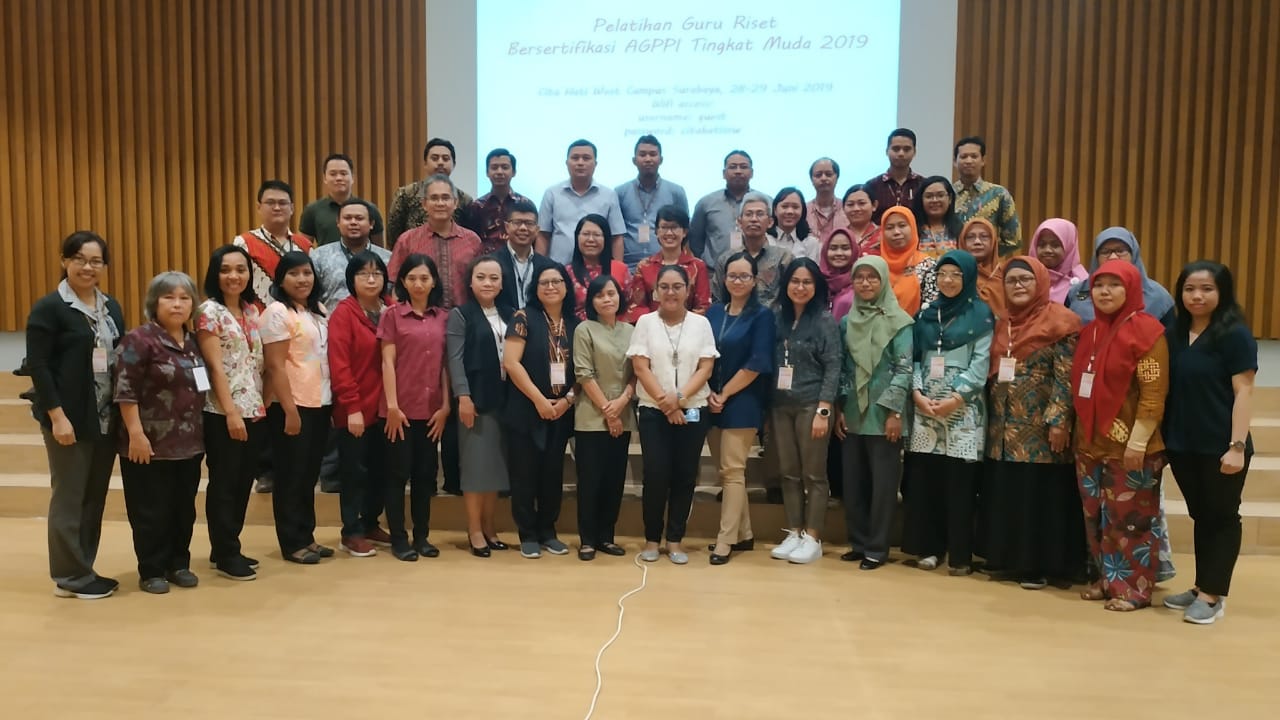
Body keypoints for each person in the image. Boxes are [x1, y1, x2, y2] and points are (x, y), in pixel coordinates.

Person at [1068, 227, 1178, 583]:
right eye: (1099, 284)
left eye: (1115, 285)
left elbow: (1153, 394)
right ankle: (1106, 582)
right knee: (1096, 518)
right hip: (1089, 444)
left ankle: (1133, 589)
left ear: (1131, 288)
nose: (1105, 291)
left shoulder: (1148, 333)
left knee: (1130, 521)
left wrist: (1138, 442)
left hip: (1131, 446)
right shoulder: (1090, 332)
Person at [26, 232, 125, 599]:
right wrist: (57, 416)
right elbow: (38, 366)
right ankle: (69, 575)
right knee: (69, 496)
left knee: (93, 498)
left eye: (96, 261)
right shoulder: (50, 307)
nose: (88, 267)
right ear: (65, 261)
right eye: (79, 259)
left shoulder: (110, 307)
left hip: (105, 416)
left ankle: (83, 569)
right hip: (69, 417)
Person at [1161, 261, 1257, 624]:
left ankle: (1213, 596)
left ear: (1222, 292)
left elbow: (1244, 391)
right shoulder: (1174, 332)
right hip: (1183, 443)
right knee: (1202, 515)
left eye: (1206, 289)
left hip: (1222, 444)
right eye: (1189, 289)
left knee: (1222, 517)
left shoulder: (1234, 334)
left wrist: (1237, 446)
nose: (1197, 296)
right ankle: (1202, 585)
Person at [981, 256, 1085, 589]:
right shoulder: (1004, 322)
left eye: (1025, 279)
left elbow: (1066, 378)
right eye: (1011, 280)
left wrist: (1059, 421)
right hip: (1004, 426)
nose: (1018, 286)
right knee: (1010, 494)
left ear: (1040, 282)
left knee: (1039, 497)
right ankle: (1010, 561)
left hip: (1041, 428)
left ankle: (1041, 566)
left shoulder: (1062, 321)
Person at [902, 250, 994, 576]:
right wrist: (917, 394)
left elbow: (980, 364)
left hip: (963, 410)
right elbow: (914, 358)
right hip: (926, 406)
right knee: (927, 481)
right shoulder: (927, 313)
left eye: (956, 274)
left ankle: (960, 554)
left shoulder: (981, 314)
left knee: (960, 485)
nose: (948, 280)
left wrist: (956, 398)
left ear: (968, 278)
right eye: (943, 274)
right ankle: (929, 548)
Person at [114, 272, 206, 594]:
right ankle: (152, 569)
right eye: (169, 297)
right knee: (150, 511)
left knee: (183, 509)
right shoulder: (139, 340)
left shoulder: (193, 342)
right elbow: (125, 391)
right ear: (154, 303)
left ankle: (178, 564)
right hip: (149, 443)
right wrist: (136, 434)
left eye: (184, 298)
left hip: (189, 443)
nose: (177, 304)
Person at [627, 265, 718, 564]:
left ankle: (675, 540)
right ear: (655, 291)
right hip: (654, 411)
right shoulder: (645, 322)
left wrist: (679, 400)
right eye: (664, 286)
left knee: (684, 475)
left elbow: (706, 367)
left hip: (693, 410)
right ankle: (652, 539)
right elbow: (641, 367)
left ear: (687, 290)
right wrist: (667, 404)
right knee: (655, 474)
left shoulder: (701, 324)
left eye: (677, 286)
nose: (670, 292)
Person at [835, 256, 913, 570]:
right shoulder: (847, 322)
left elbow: (904, 370)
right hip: (853, 413)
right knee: (853, 484)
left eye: (872, 277)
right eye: (859, 277)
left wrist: (895, 412)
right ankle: (858, 542)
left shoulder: (901, 322)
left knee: (883, 488)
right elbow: (844, 368)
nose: (865, 283)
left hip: (884, 416)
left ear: (883, 281)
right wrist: (841, 407)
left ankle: (877, 548)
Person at [196, 245, 267, 581]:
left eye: (240, 269)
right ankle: (226, 552)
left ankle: (227, 545)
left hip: (254, 409)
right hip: (222, 411)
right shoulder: (209, 312)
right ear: (215, 274)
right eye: (226, 270)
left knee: (242, 481)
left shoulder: (251, 310)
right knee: (224, 483)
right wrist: (230, 413)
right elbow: (214, 368)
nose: (234, 276)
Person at [260, 252, 332, 565]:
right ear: (280, 279)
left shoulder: (318, 309)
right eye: (294, 273)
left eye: (307, 272)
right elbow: (275, 366)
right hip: (292, 403)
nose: (302, 279)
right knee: (290, 475)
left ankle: (307, 535)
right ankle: (291, 542)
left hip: (320, 400)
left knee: (308, 474)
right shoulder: (276, 312)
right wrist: (289, 410)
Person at [381, 254, 454, 561]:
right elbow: (387, 362)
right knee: (397, 476)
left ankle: (422, 536)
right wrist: (392, 406)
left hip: (432, 410)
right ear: (403, 282)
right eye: (412, 278)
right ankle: (399, 538)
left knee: (425, 476)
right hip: (399, 411)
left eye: (424, 278)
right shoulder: (392, 315)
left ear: (434, 281)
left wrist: (446, 406)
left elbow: (446, 366)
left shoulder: (444, 317)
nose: (418, 284)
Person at [768, 258, 841, 564]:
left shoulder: (824, 320)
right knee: (788, 473)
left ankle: (813, 537)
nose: (800, 287)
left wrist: (824, 409)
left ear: (816, 286)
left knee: (814, 474)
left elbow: (834, 365)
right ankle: (794, 531)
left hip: (812, 404)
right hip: (780, 404)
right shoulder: (777, 317)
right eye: (795, 281)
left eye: (807, 282)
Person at [503, 264, 578, 558]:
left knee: (552, 474)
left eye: (556, 281)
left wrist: (567, 401)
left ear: (566, 287)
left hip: (561, 410)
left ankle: (548, 531)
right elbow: (511, 363)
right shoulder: (523, 317)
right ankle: (528, 534)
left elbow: (584, 370)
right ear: (535, 288)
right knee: (524, 474)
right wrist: (539, 400)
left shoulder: (575, 324)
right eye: (544, 282)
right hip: (526, 407)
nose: (550, 286)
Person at [705, 252, 775, 565]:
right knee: (725, 472)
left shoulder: (762, 316)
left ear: (755, 280)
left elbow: (758, 362)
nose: (737, 281)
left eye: (744, 276)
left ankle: (725, 539)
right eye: (732, 275)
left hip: (744, 400)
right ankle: (744, 533)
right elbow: (702, 354)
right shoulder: (713, 313)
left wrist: (725, 393)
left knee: (733, 470)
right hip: (711, 399)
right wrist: (710, 392)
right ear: (724, 278)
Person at [446, 257, 513, 557]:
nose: (488, 283)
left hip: (506, 401)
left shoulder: (511, 314)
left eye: (494, 278)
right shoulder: (461, 315)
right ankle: (474, 530)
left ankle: (489, 527)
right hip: (475, 401)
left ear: (502, 283)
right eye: (481, 277)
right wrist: (463, 396)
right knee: (475, 469)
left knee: (495, 470)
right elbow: (455, 359)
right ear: (470, 282)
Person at [327, 252, 392, 559]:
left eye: (377, 273)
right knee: (354, 473)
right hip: (355, 409)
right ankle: (351, 531)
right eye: (364, 274)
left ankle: (370, 523)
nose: (371, 279)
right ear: (351, 279)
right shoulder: (344, 313)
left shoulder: (390, 309)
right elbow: (339, 365)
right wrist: (351, 406)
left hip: (386, 409)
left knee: (381, 470)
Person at [573, 275, 637, 560]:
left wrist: (622, 402)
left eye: (611, 293)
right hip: (591, 416)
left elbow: (637, 372)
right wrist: (609, 412)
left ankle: (606, 537)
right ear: (592, 301)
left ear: (619, 297)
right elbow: (583, 373)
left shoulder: (631, 330)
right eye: (600, 295)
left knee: (614, 480)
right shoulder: (584, 329)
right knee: (590, 481)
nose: (607, 299)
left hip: (624, 414)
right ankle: (587, 539)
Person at [388, 174, 484, 310]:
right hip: (420, 317)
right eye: (434, 198)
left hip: (464, 317)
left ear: (455, 203)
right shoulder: (407, 240)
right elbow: (394, 284)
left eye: (445, 198)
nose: (440, 203)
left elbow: (482, 282)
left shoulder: (472, 241)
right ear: (424, 204)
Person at [537, 139, 626, 264]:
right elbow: (543, 235)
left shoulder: (608, 195)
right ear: (567, 163)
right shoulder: (552, 193)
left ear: (595, 163)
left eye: (586, 158)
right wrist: (540, 267)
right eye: (575, 158)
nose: (580, 163)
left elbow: (616, 237)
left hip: (598, 270)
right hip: (559, 268)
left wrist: (617, 269)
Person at [1068, 227, 1176, 327]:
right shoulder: (1076, 292)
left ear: (1133, 255)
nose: (1113, 257)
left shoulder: (1158, 297)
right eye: (1105, 252)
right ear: (1096, 257)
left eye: (1120, 251)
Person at [234, 180, 312, 315]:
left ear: (292, 208)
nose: (277, 208)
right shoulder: (244, 243)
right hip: (256, 319)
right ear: (259, 207)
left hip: (298, 321)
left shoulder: (305, 246)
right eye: (270, 203)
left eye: (282, 203)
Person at [625, 204, 711, 320]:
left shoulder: (697, 266)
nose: (669, 233)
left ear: (685, 232)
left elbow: (702, 306)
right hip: (652, 327)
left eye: (674, 227)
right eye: (664, 227)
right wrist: (656, 324)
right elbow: (637, 306)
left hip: (689, 327)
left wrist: (682, 326)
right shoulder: (644, 266)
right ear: (656, 231)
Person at [616, 135, 690, 268]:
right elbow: (616, 234)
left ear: (661, 160)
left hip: (667, 266)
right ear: (634, 160)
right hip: (629, 266)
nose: (648, 159)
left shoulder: (676, 192)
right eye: (642, 154)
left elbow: (685, 231)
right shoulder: (620, 192)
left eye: (653, 154)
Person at [388, 138, 475, 248]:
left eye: (445, 159)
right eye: (435, 158)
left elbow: (469, 236)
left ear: (454, 164)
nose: (440, 162)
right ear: (425, 163)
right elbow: (393, 235)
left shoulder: (464, 199)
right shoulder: (405, 194)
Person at [712, 191, 794, 307]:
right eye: (749, 214)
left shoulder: (784, 258)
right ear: (739, 222)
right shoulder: (726, 259)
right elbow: (718, 300)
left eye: (760, 214)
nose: (754, 219)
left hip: (772, 318)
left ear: (770, 222)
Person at [311, 199, 392, 309]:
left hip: (377, 319)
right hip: (331, 318)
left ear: (371, 224)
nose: (353, 222)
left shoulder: (388, 258)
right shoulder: (319, 256)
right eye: (347, 218)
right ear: (338, 223)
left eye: (359, 218)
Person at [952, 136, 1021, 257]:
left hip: (988, 264)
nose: (969, 161)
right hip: (954, 262)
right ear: (955, 161)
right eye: (963, 157)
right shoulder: (947, 194)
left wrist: (987, 254)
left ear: (983, 160)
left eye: (974, 156)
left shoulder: (998, 194)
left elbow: (1014, 239)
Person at [299, 153, 385, 247]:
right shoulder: (312, 210)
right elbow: (304, 248)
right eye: (333, 174)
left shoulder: (369, 208)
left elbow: (379, 248)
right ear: (325, 178)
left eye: (343, 173)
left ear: (352, 177)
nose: (339, 178)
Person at [689, 150, 753, 264]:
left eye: (743, 167)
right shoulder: (706, 203)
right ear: (724, 173)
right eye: (733, 167)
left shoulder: (764, 202)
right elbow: (695, 240)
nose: (738, 171)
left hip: (755, 270)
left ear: (752, 173)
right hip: (714, 271)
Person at [463, 147, 531, 255]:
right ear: (487, 172)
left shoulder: (524, 204)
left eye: (505, 167)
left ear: (514, 172)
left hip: (518, 260)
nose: (499, 172)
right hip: (486, 262)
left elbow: (532, 238)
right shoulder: (478, 206)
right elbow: (469, 240)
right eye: (494, 168)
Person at [495, 199, 557, 314]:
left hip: (539, 323)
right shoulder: (493, 263)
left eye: (529, 223)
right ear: (507, 227)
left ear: (537, 230)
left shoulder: (549, 266)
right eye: (517, 222)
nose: (523, 228)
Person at [566, 214, 630, 321]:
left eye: (597, 235)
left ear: (606, 239)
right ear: (577, 237)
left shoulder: (620, 269)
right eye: (586, 234)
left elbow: (629, 305)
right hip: (578, 328)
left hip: (614, 327)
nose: (591, 239)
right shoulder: (567, 272)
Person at [879, 206, 938, 315]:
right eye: (889, 227)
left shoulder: (928, 265)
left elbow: (932, 308)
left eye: (902, 225)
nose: (896, 232)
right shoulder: (875, 265)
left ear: (913, 227)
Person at [864, 129, 924, 224]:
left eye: (907, 149)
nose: (901, 153)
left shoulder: (923, 184)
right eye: (896, 149)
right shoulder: (872, 185)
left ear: (914, 152)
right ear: (887, 151)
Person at [1029, 218, 1088, 304]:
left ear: (1069, 247)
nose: (1047, 250)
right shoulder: (1024, 279)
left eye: (1055, 245)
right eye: (1042, 245)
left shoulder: (1083, 284)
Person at [960, 217, 1007, 321]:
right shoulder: (956, 274)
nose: (977, 242)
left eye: (984, 236)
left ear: (993, 241)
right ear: (962, 241)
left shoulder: (1006, 273)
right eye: (970, 237)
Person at [912, 176, 961, 258]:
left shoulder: (960, 230)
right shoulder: (913, 230)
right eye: (929, 196)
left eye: (940, 195)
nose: (935, 200)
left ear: (950, 199)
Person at [767, 187, 818, 259]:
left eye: (795, 207)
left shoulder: (811, 243)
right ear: (775, 210)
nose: (790, 211)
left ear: (802, 211)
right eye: (784, 206)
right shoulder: (764, 239)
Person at [822, 228, 861, 320]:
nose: (839, 253)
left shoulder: (861, 282)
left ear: (854, 251)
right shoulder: (817, 282)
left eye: (845, 248)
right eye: (833, 248)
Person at [807, 157, 849, 241]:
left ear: (837, 178)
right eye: (818, 175)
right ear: (811, 179)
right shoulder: (803, 211)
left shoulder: (847, 208)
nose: (823, 178)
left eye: (829, 174)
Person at [841, 184, 882, 256]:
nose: (856, 209)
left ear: (874, 205)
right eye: (850, 204)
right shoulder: (838, 236)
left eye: (862, 203)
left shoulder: (884, 235)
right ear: (843, 208)